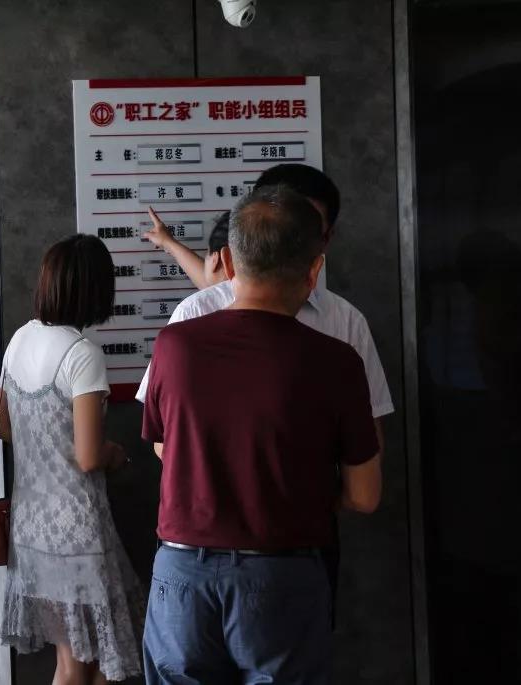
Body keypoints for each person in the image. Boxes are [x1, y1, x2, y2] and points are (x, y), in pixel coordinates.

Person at [141, 185, 382, 683]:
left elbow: (165, 446)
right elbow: (365, 495)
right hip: (282, 577)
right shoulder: (337, 361)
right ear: (314, 270)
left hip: (181, 576)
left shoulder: (174, 345)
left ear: (228, 263)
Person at [0, 234, 145, 684]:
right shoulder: (82, 354)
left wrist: (43, 443)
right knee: (90, 663)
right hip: (77, 530)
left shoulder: (20, 339)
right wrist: (116, 454)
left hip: (31, 525)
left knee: (78, 662)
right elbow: (88, 455)